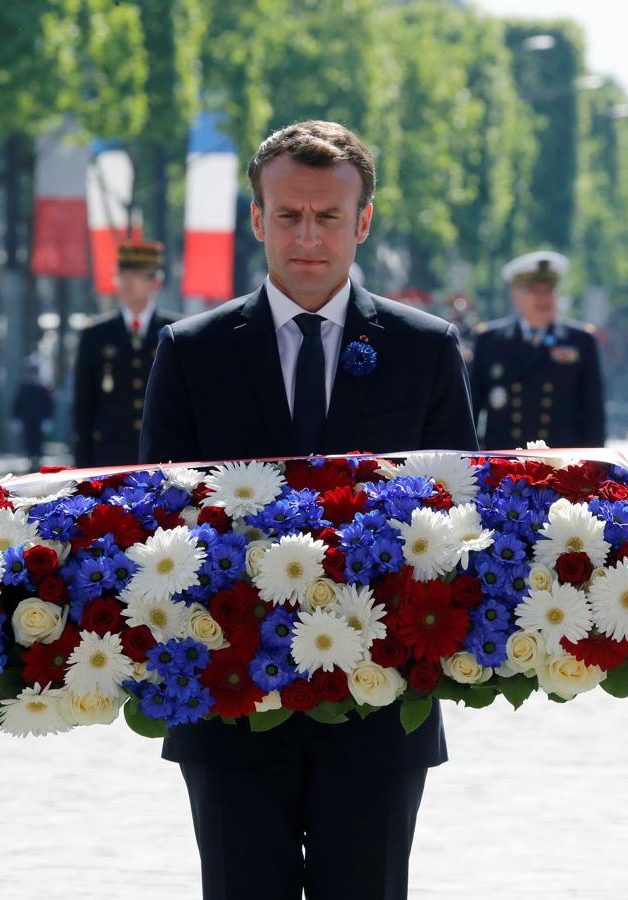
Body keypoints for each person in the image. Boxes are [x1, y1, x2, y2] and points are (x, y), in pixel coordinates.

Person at [140, 120, 477, 900]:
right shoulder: (192, 351)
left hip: (380, 701)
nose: (307, 237)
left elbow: (458, 514)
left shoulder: (425, 347)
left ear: (363, 221)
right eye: (287, 215)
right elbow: (157, 519)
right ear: (255, 219)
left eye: (328, 216)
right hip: (227, 697)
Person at [470, 251, 605, 449]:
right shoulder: (489, 340)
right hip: (504, 463)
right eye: (535, 291)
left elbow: (593, 413)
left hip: (561, 465)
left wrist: (594, 469)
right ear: (516, 295)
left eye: (549, 290)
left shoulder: (580, 341)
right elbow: (472, 407)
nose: (544, 299)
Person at [72, 240, 176, 467]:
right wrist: (83, 466)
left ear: (155, 281)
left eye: (137, 275)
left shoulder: (175, 332)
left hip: (160, 457)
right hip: (109, 456)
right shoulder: (95, 334)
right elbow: (83, 406)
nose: (127, 283)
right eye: (122, 275)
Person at [11, 357, 55, 471]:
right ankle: (31, 460)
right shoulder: (24, 387)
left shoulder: (42, 388)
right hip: (27, 420)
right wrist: (16, 419)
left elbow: (48, 405)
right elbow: (17, 403)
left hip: (39, 420)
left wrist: (47, 419)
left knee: (38, 441)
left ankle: (38, 460)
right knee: (29, 440)